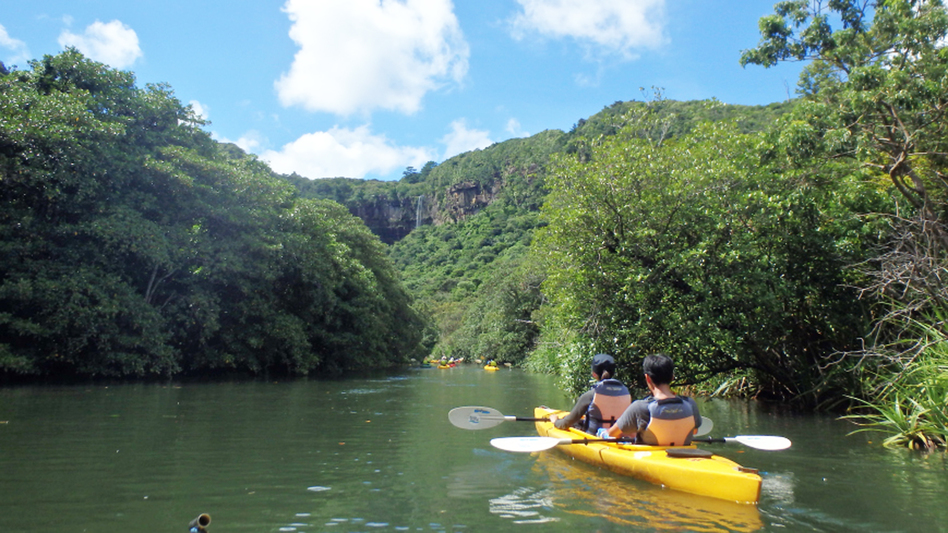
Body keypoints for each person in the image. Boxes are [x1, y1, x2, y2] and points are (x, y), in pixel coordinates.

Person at [604, 353, 700, 446]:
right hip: (684, 455)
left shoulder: (639, 407)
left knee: (603, 432)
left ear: (647, 378)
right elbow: (694, 431)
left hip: (648, 457)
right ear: (672, 377)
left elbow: (612, 434)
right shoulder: (690, 404)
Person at [551, 353, 631, 434]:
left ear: (594, 374)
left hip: (594, 438)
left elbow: (565, 424)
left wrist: (556, 421)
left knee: (573, 422)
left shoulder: (590, 395)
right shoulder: (626, 393)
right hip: (618, 436)